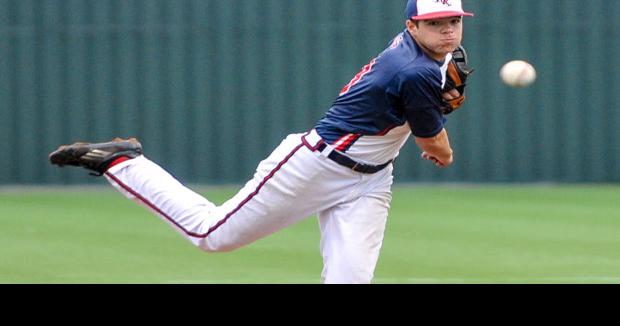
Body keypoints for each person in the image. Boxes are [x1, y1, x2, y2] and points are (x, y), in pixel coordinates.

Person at [49, 0, 474, 284]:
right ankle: (124, 163)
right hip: (315, 166)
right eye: (435, 23)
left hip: (371, 179)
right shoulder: (414, 70)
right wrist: (440, 134)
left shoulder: (426, 58)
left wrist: (430, 110)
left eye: (454, 21)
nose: (448, 31)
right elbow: (436, 148)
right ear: (411, 26)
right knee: (212, 235)